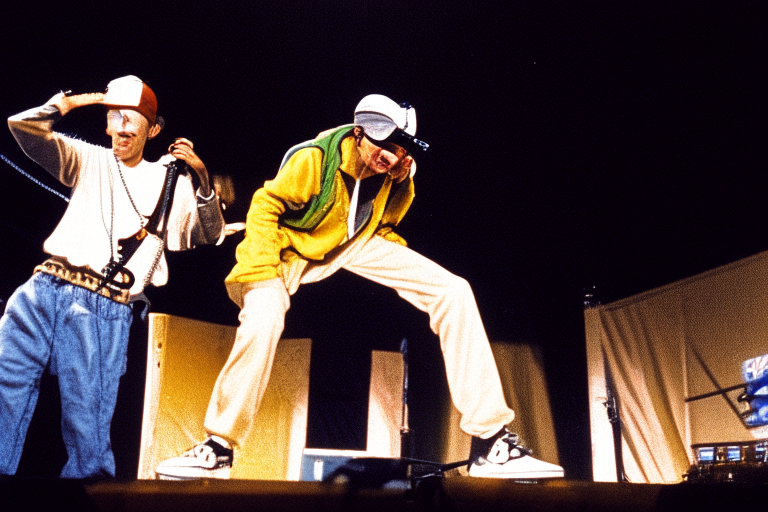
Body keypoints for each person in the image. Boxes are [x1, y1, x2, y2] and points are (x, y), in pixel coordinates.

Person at [156, 94, 563, 480]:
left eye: (401, 150)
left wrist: (403, 181)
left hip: (353, 244)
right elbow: (266, 206)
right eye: (384, 148)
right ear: (358, 134)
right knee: (264, 319)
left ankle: (490, 441)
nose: (390, 158)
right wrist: (262, 272)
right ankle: (219, 446)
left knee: (453, 291)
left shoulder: (396, 169)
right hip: (289, 248)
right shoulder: (312, 159)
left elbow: (388, 220)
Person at [0, 76, 225, 479]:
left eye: (132, 119)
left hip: (100, 304)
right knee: (3, 390)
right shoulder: (88, 158)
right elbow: (22, 128)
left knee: (87, 428)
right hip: (42, 287)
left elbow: (206, 235)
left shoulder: (170, 181)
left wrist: (204, 180)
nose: (121, 127)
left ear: (153, 130)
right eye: (114, 116)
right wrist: (68, 104)